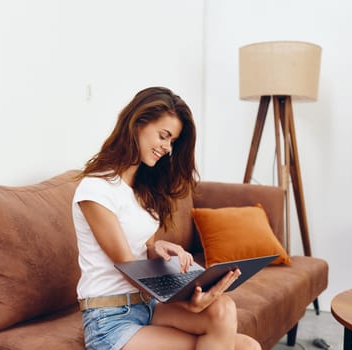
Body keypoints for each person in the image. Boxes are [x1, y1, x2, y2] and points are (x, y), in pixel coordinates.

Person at [72, 86, 261, 350]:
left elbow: (143, 250)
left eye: (172, 141)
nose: (166, 147)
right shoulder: (96, 189)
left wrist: (157, 248)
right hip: (109, 319)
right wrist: (186, 298)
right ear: (137, 123)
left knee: (235, 324)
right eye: (163, 136)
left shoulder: (143, 191)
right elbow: (127, 264)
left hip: (147, 306)